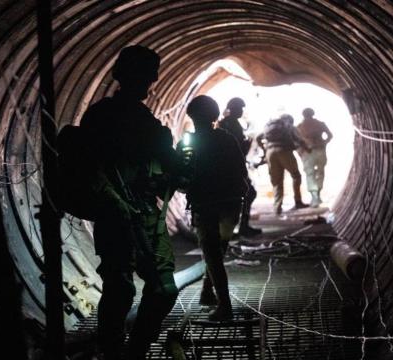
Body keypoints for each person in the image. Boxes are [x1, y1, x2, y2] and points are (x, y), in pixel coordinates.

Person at [79, 45, 183, 359]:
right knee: (119, 287)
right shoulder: (102, 117)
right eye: (147, 74)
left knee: (161, 288)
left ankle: (134, 348)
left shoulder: (140, 118)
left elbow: (167, 169)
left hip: (143, 211)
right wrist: (116, 203)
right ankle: (112, 349)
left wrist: (171, 171)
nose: (149, 81)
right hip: (114, 214)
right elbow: (88, 167)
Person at [177, 95, 248, 321]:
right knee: (219, 250)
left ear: (191, 117)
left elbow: (180, 177)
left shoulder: (188, 143)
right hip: (230, 204)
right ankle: (208, 292)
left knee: (212, 254)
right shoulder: (227, 138)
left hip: (205, 205)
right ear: (216, 116)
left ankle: (224, 306)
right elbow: (241, 170)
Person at [217, 97, 262, 236]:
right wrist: (246, 144)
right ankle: (239, 227)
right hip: (231, 168)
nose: (241, 111)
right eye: (239, 108)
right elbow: (233, 147)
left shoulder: (227, 123)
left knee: (242, 195)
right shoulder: (230, 124)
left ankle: (232, 227)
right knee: (248, 194)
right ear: (233, 109)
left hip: (229, 166)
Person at [256, 114, 309, 215]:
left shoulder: (269, 126)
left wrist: (264, 149)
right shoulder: (288, 126)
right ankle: (298, 201)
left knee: (277, 181)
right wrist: (307, 149)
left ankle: (277, 207)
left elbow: (258, 137)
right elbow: (299, 140)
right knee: (296, 176)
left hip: (270, 153)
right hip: (284, 151)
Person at [296, 108, 332, 207]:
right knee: (320, 172)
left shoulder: (299, 126)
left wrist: (300, 152)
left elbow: (297, 142)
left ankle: (315, 197)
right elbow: (330, 135)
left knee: (310, 174)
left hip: (307, 152)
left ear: (303, 115)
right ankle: (318, 194)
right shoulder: (320, 124)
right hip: (320, 149)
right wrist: (324, 143)